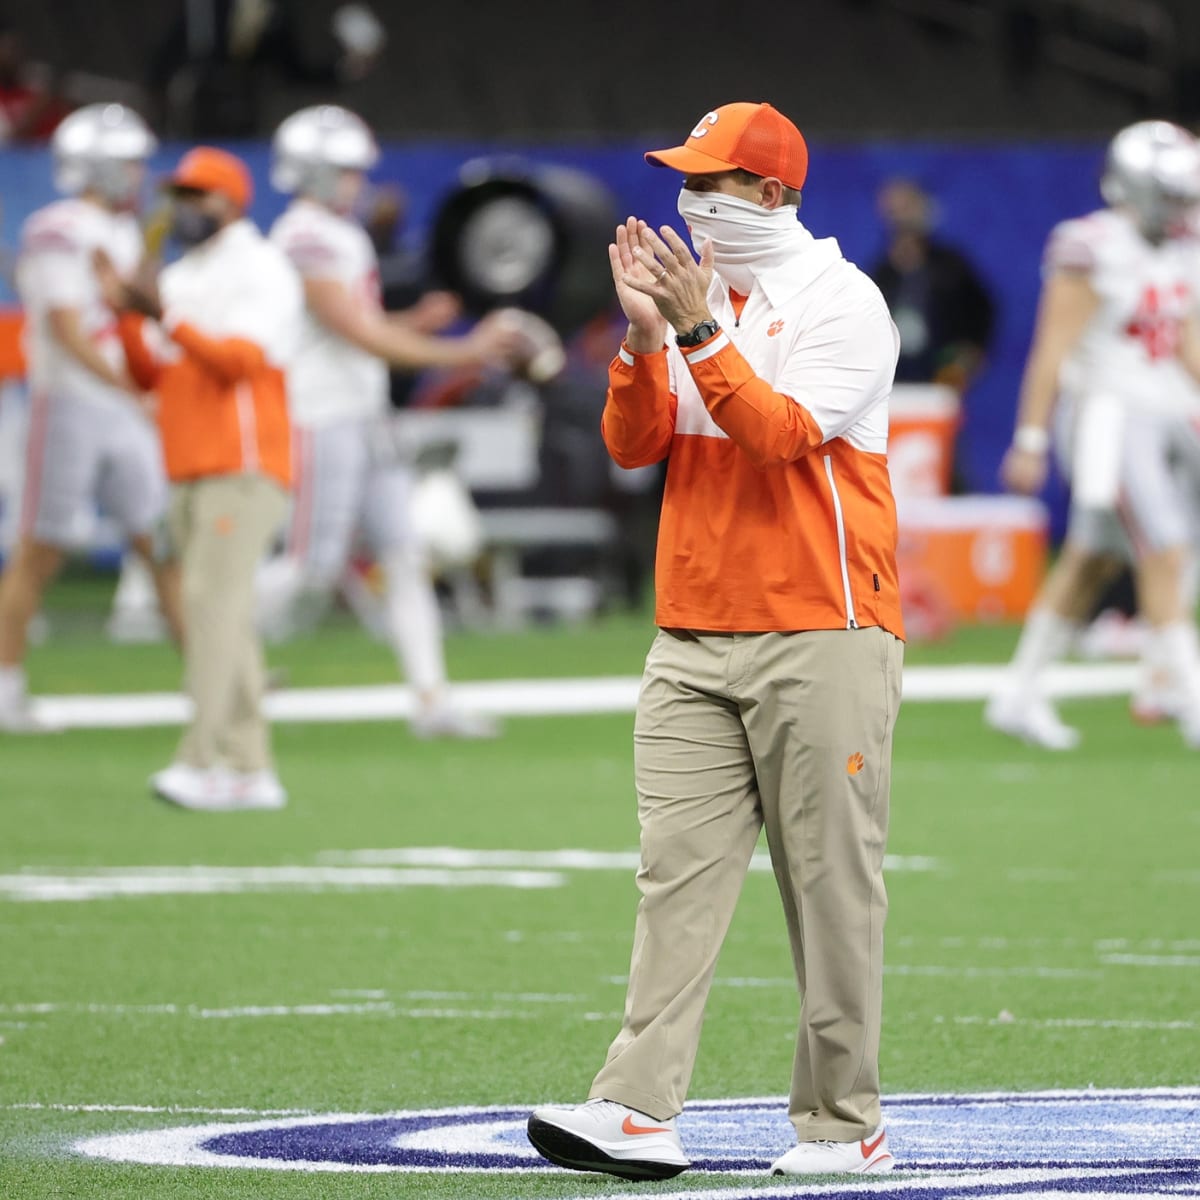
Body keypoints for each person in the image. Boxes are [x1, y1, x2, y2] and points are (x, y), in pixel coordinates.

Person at [526, 101, 905, 1180]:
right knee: (673, 878)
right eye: (685, 179)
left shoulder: (847, 303)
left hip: (820, 627)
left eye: (716, 182)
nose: (690, 202)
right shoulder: (700, 298)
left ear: (776, 194)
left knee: (831, 884)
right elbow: (636, 445)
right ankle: (638, 1107)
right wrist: (645, 342)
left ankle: (846, 1124)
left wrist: (696, 330)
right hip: (692, 630)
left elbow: (784, 435)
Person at [257, 105, 526, 737]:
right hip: (319, 415)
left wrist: (417, 325)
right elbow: (355, 332)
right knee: (311, 571)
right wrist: (464, 349)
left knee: (404, 556)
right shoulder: (304, 236)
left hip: (361, 412)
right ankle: (219, 654)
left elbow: (358, 331)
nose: (358, 182)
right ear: (316, 172)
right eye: (346, 170)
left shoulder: (340, 235)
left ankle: (432, 701)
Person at [986, 120, 1200, 751]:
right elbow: (1053, 347)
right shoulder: (1089, 245)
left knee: (1094, 558)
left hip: (1166, 411)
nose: (1185, 207)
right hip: (1107, 417)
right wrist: (1029, 438)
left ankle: (1018, 694)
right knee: (1163, 546)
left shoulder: (1185, 246)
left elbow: (1185, 343)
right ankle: (1182, 690)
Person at [104, 146, 304, 809]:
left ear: (233, 200)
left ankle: (200, 758)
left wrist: (162, 313)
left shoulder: (263, 267)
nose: (187, 209)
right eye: (181, 196)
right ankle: (251, 769)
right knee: (222, 613)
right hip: (190, 464)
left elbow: (241, 362)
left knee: (210, 608)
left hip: (243, 463)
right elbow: (153, 373)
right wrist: (128, 313)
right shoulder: (186, 273)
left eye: (201, 196)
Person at [0, 102, 182, 734]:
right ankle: (6, 684)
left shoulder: (126, 233)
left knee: (162, 542)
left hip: (118, 405)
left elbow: (135, 321)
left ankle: (211, 676)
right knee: (41, 550)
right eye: (128, 162)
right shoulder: (58, 228)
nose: (137, 174)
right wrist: (134, 389)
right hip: (71, 404)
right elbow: (68, 331)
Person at [869, 178, 995, 492]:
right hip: (893, 383)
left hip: (938, 375)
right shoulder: (882, 271)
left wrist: (970, 355)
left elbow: (982, 312)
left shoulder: (951, 267)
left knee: (943, 456)